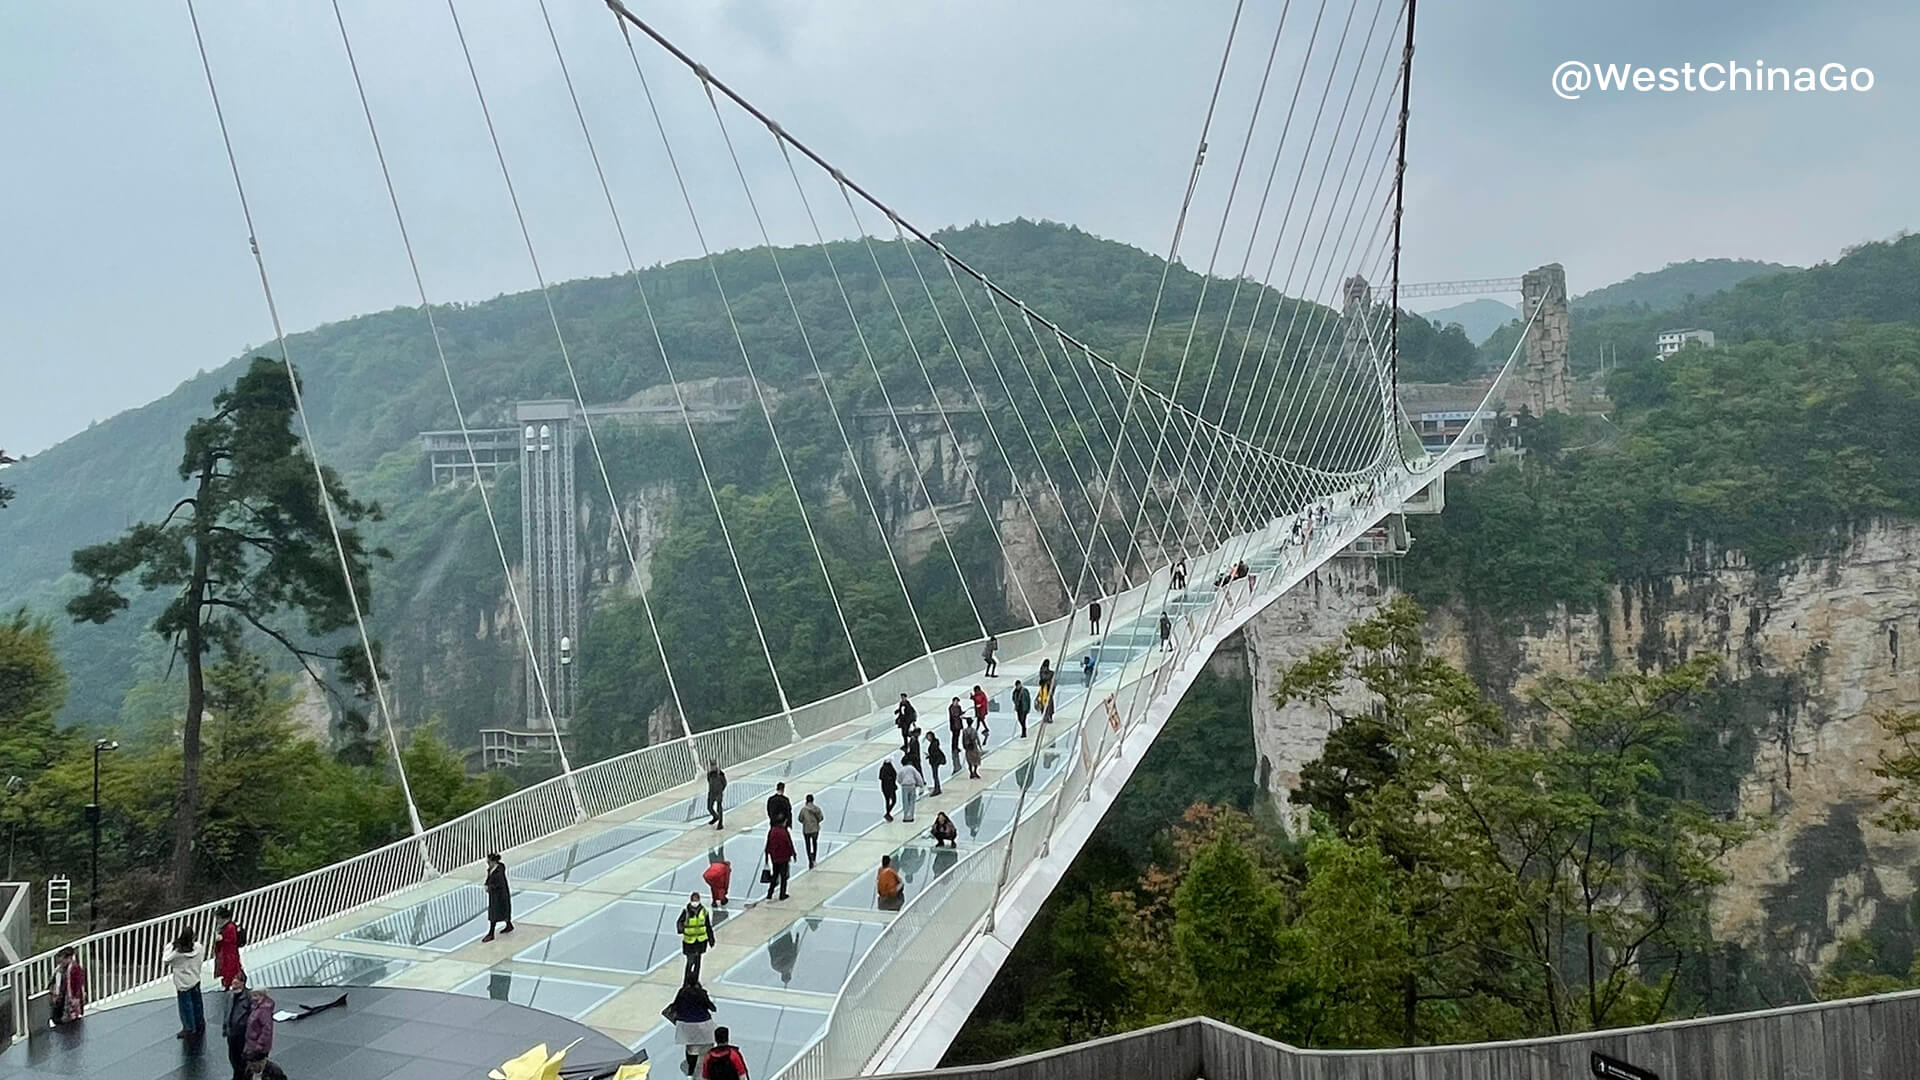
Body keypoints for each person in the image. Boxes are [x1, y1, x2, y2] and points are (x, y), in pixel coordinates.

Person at [668, 978, 719, 1073]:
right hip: (703, 1023)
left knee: (691, 1047)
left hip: (686, 1025)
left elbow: (675, 1006)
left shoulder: (682, 993)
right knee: (708, 1044)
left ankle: (691, 1068)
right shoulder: (701, 993)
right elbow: (712, 1008)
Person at [165, 926, 205, 1038]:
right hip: (195, 978)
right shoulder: (199, 947)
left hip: (183, 983)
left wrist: (173, 946)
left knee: (185, 1006)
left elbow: (166, 959)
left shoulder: (178, 954)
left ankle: (189, 1028)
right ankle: (199, 1022)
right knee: (197, 1002)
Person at [678, 892, 716, 983]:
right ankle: (686, 981)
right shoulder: (686, 911)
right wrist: (681, 929)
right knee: (690, 962)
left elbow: (708, 926)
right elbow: (679, 922)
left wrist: (711, 939)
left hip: (700, 941)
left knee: (698, 962)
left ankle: (695, 980)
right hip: (689, 941)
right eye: (693, 900)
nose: (695, 902)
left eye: (696, 900)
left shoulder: (704, 911)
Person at [223, 972, 254, 1080]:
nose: (234, 982)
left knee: (243, 1058)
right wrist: (225, 1028)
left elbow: (252, 1015)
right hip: (232, 1032)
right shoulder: (229, 995)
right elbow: (227, 1012)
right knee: (233, 1056)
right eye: (234, 979)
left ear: (243, 983)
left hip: (242, 1033)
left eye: (238, 980)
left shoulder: (249, 997)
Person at [482, 852, 514, 942]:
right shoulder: (491, 869)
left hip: (500, 895)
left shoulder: (499, 871)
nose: (487, 863)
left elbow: (498, 884)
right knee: (501, 911)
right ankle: (509, 924)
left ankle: (491, 933)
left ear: (493, 862)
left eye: (488, 861)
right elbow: (489, 878)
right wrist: (486, 884)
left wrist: (490, 887)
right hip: (494, 895)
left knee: (494, 913)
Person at [49, 945, 86, 1025]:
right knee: (58, 1018)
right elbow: (53, 983)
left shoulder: (74, 969)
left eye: (63, 960)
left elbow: (78, 985)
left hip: (70, 1000)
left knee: (70, 1021)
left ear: (69, 958)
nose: (61, 963)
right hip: (61, 998)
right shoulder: (59, 970)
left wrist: (75, 999)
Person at [214, 906, 246, 990]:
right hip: (227, 953)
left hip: (229, 954)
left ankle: (229, 984)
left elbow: (231, 940)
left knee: (230, 969)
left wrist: (221, 939)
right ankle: (230, 983)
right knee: (231, 969)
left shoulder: (229, 927)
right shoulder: (227, 926)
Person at [243, 986, 274, 1065]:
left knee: (258, 1065)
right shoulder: (256, 1008)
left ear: (262, 996)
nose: (253, 998)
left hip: (258, 1046)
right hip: (253, 1044)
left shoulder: (264, 1010)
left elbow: (267, 1029)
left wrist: (260, 1044)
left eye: (255, 995)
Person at [764, 823, 795, 901]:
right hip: (784, 857)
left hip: (774, 857)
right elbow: (789, 843)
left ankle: (769, 894)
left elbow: (768, 843)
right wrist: (792, 854)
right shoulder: (784, 832)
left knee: (775, 875)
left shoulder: (772, 831)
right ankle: (782, 894)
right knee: (783, 877)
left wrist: (767, 855)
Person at [796, 794, 824, 868]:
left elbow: (800, 819)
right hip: (815, 829)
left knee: (808, 845)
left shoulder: (803, 810)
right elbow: (821, 818)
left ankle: (809, 859)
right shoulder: (817, 809)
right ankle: (814, 858)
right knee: (814, 843)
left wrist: (805, 822)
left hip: (806, 830)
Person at [897, 758, 924, 823]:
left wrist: (901, 783)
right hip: (912, 785)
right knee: (912, 801)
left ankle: (905, 817)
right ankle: (911, 817)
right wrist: (920, 784)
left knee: (905, 802)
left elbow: (898, 779)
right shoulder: (912, 768)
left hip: (904, 786)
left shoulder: (901, 770)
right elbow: (918, 776)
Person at [923, 730, 946, 797]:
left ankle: (937, 789)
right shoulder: (934, 743)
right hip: (935, 761)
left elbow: (934, 753)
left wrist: (930, 756)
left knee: (935, 776)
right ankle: (937, 788)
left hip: (935, 762)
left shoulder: (934, 744)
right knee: (935, 775)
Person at [706, 760, 728, 830]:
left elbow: (724, 783)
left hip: (718, 793)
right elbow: (709, 781)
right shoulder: (709, 774)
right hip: (711, 793)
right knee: (709, 807)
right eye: (711, 766)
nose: (712, 767)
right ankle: (715, 817)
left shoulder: (720, 774)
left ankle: (720, 823)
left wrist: (720, 790)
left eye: (713, 765)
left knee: (719, 808)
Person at [947, 697, 965, 763]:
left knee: (957, 736)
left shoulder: (959, 707)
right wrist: (959, 715)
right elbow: (953, 715)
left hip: (959, 724)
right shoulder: (951, 708)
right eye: (956, 701)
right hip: (954, 725)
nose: (957, 703)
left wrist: (962, 713)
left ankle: (956, 747)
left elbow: (960, 712)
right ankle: (953, 748)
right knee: (954, 737)